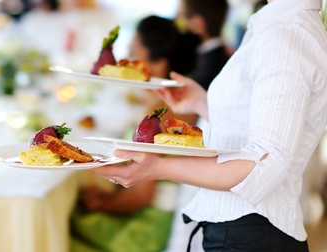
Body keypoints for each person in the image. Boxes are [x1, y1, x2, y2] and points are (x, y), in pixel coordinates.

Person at [89, 0, 327, 251]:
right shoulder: (278, 27)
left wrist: (159, 166)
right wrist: (205, 104)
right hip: (245, 231)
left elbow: (264, 164)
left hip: (247, 236)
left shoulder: (285, 36)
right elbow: (261, 130)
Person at [69, 16, 200, 252]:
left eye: (132, 54)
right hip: (161, 218)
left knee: (64, 229)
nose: (125, 62)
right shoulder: (182, 103)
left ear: (158, 62)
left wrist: (100, 205)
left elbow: (142, 196)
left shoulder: (158, 112)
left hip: (146, 228)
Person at [177, 0, 230, 91]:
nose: (180, 22)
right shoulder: (223, 56)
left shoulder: (209, 67)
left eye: (182, 16)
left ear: (197, 23)